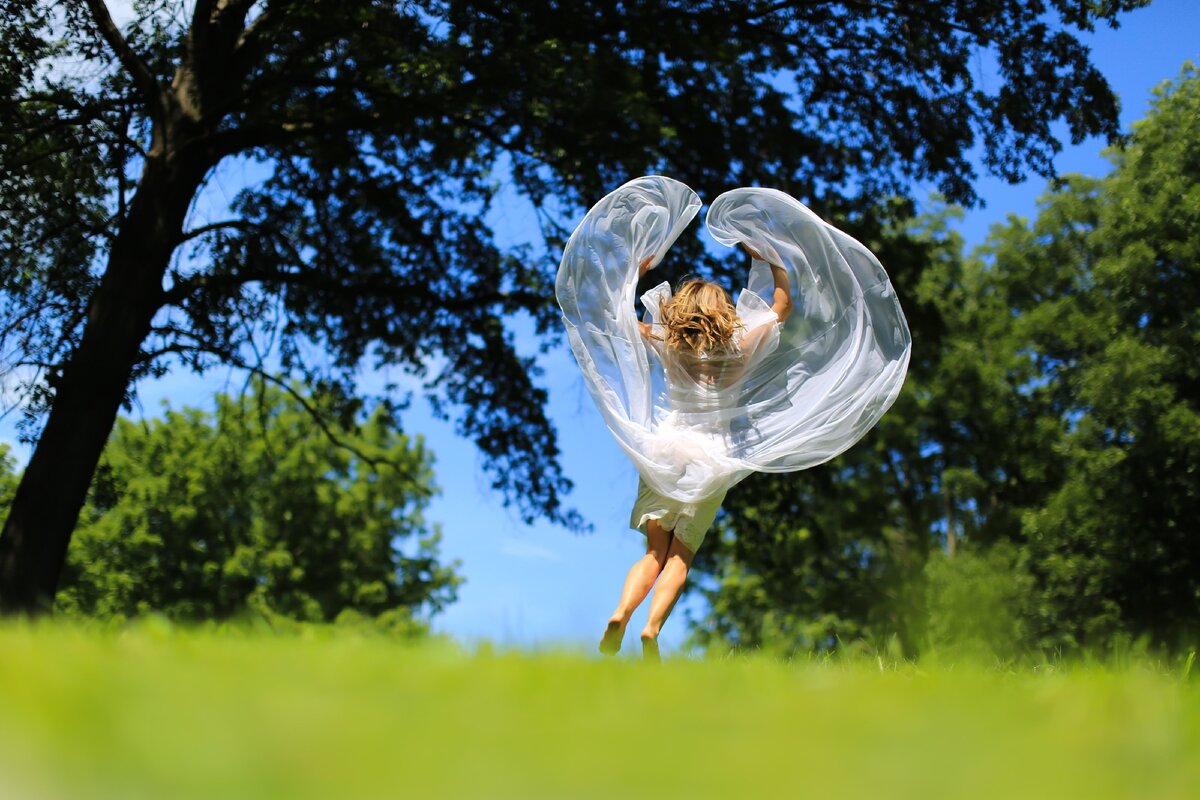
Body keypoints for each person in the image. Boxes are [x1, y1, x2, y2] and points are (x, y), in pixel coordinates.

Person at [555, 176, 911, 661]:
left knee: (653, 553)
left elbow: (621, 321)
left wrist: (636, 273)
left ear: (680, 311)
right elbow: (782, 307)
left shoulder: (668, 340)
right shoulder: (741, 342)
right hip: (712, 456)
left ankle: (620, 612)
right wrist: (772, 260)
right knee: (682, 555)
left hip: (665, 446)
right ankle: (652, 631)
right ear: (724, 312)